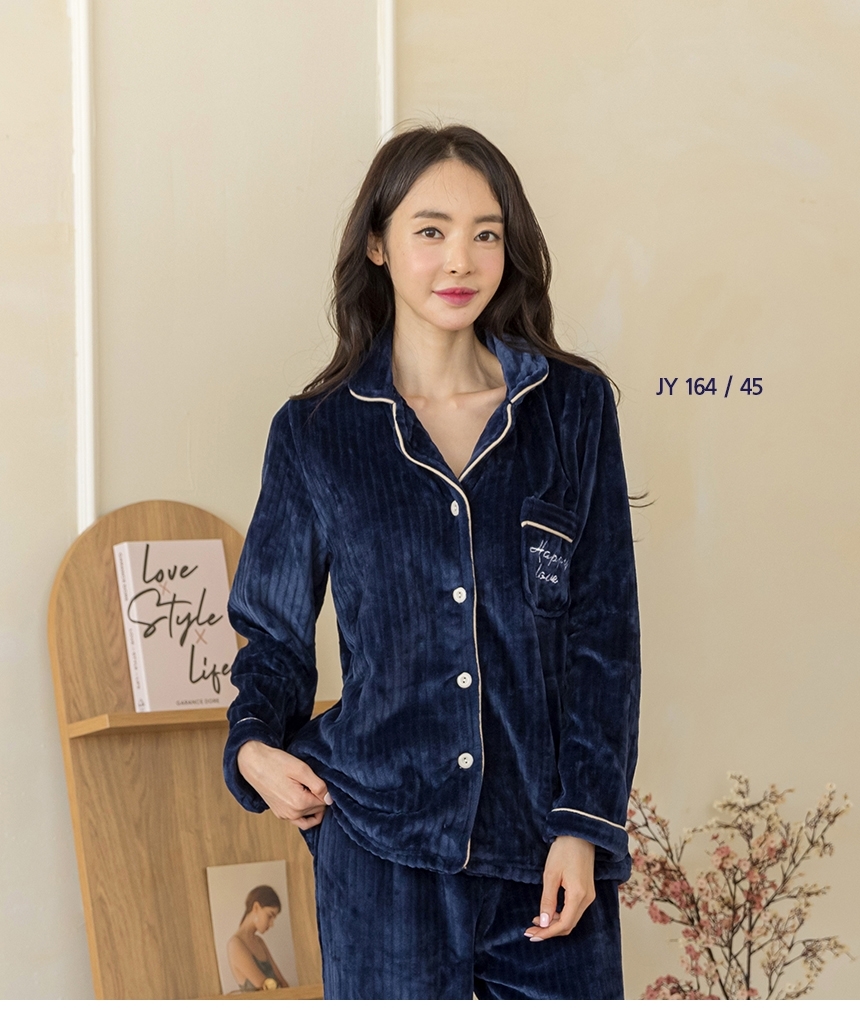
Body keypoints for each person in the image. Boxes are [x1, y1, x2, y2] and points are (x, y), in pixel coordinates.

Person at [222, 124, 640, 1000]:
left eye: (486, 233)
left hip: (545, 857)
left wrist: (584, 826)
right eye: (431, 231)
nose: (461, 260)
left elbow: (603, 640)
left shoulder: (571, 410)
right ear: (377, 244)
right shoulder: (315, 433)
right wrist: (253, 746)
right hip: (379, 857)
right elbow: (275, 636)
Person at [227, 885, 289, 991]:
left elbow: (283, 982)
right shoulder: (235, 944)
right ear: (256, 907)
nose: (271, 924)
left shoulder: (259, 941)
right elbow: (265, 987)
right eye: (269, 916)